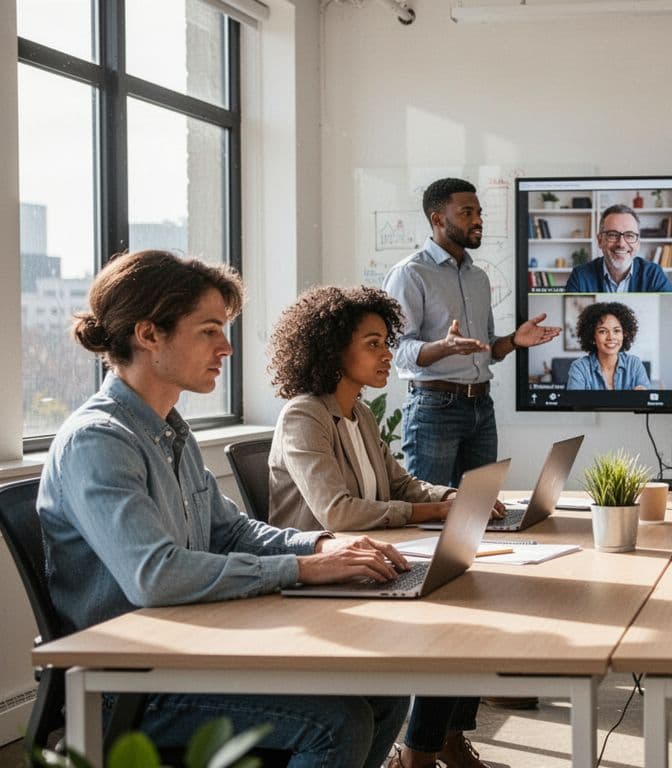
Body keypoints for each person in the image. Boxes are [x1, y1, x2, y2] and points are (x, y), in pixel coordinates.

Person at [38, 250, 407, 768]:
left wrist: (323, 544)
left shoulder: (172, 432)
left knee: (386, 693)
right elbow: (156, 576)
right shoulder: (98, 442)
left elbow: (231, 532)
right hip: (131, 683)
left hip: (191, 649)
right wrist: (302, 567)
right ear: (149, 334)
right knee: (337, 723)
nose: (227, 347)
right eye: (209, 330)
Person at [265, 285, 489, 768]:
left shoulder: (359, 413)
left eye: (387, 342)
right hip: (322, 579)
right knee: (452, 621)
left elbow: (402, 485)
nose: (387, 354)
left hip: (368, 565)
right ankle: (422, 753)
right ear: (332, 349)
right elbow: (338, 513)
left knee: (465, 608)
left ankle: (424, 749)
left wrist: (452, 497)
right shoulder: (304, 415)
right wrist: (430, 513)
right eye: (373, 344)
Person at [383, 177, 561, 489]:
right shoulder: (410, 273)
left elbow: (486, 348)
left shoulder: (478, 277)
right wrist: (444, 347)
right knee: (429, 512)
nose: (478, 220)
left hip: (481, 406)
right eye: (467, 213)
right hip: (434, 408)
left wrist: (514, 341)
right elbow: (398, 350)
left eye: (479, 213)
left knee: (478, 509)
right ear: (438, 219)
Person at [563, 204, 672, 292]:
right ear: (600, 240)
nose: (621, 244)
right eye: (612, 235)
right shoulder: (580, 276)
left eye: (629, 235)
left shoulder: (654, 274)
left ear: (638, 243)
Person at [565, 301, 651, 390]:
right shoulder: (580, 367)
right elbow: (575, 402)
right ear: (592, 337)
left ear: (624, 334)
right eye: (603, 331)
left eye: (616, 331)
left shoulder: (634, 364)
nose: (611, 337)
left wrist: (642, 395)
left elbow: (648, 400)